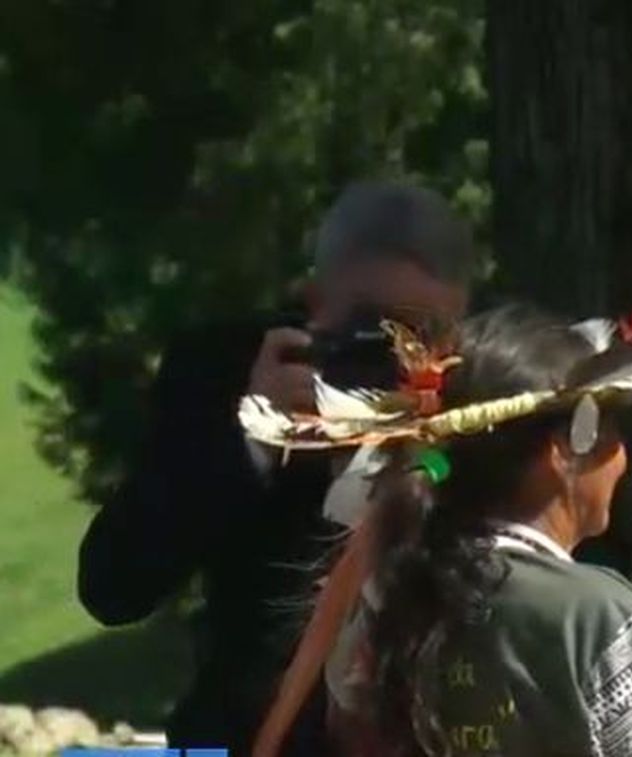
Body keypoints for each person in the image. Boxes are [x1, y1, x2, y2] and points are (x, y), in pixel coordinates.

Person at [76, 180, 475, 751]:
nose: (395, 356)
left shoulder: (480, 392)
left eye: (422, 334)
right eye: (374, 326)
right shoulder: (225, 372)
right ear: (312, 305)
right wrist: (252, 443)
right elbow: (112, 584)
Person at [314, 305, 632, 756]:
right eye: (614, 430)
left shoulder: (390, 605)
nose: (623, 458)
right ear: (568, 445)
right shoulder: (593, 616)